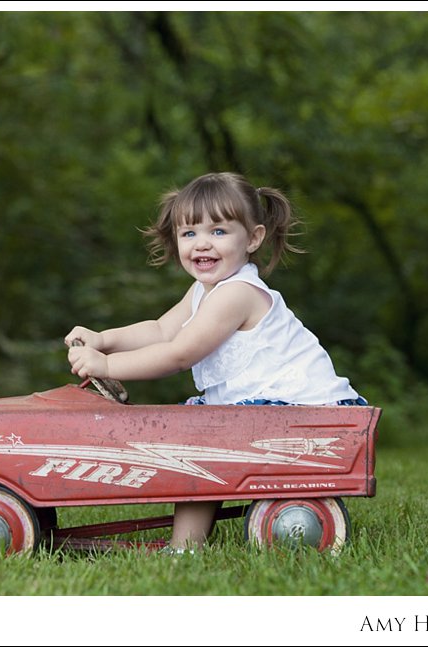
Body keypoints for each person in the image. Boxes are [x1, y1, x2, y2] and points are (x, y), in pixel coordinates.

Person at [65, 171, 365, 553]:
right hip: (261, 411)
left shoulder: (237, 293)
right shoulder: (204, 290)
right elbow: (161, 331)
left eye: (219, 232)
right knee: (199, 439)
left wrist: (107, 367)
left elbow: (179, 353)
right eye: (189, 233)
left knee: (197, 436)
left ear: (253, 238)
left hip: (297, 410)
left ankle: (185, 544)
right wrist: (104, 340)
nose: (201, 244)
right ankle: (185, 547)